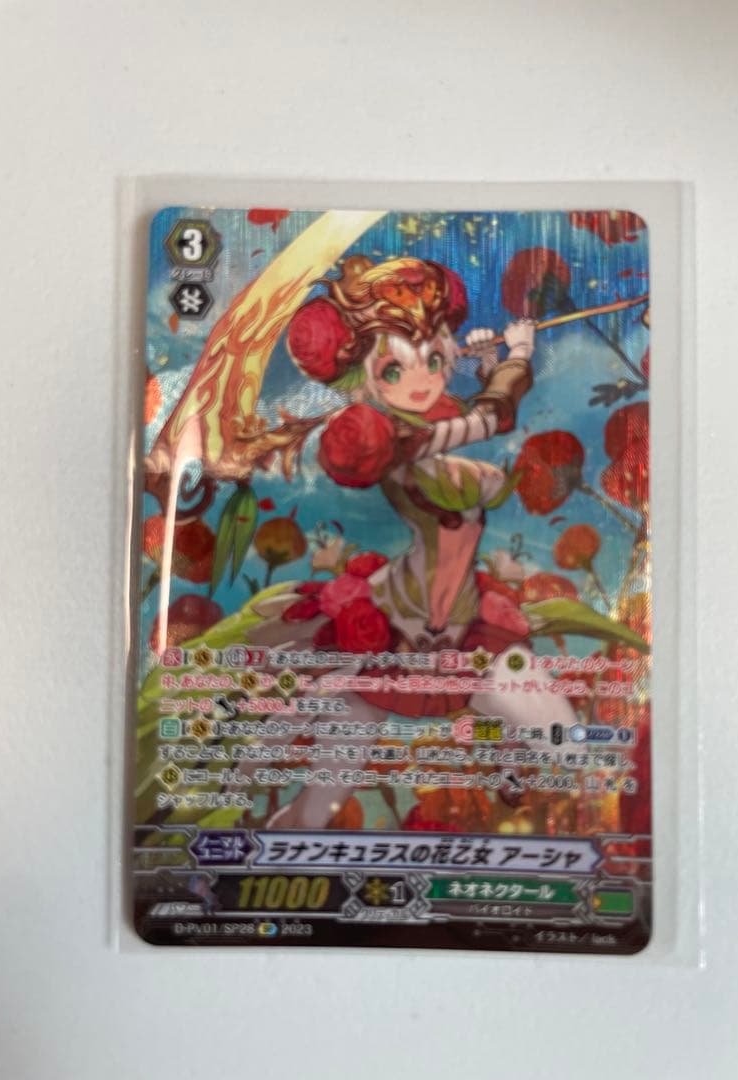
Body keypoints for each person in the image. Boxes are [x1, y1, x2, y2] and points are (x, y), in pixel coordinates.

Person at [245, 254, 575, 828]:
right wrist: (519, 356)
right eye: (394, 370)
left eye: (433, 360)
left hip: (462, 621)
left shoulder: (423, 428)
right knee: (320, 803)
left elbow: (463, 412)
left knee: (566, 745)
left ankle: (506, 760)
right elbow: (491, 417)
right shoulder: (392, 439)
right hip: (393, 634)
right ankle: (272, 847)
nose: (421, 381)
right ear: (365, 379)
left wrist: (487, 359)